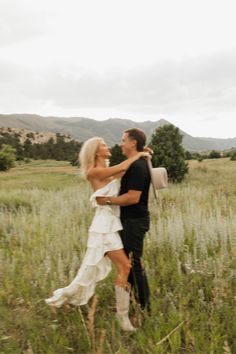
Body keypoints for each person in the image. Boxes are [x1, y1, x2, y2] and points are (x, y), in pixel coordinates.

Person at [45, 137, 149, 331]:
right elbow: (125, 165)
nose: (107, 146)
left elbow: (126, 168)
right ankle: (123, 318)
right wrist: (139, 154)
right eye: (103, 145)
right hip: (103, 227)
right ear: (96, 152)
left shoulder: (108, 171)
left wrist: (141, 155)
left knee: (97, 271)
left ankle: (64, 296)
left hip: (112, 224)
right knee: (125, 266)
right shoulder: (94, 171)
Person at [96, 128, 151, 312]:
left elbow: (133, 197)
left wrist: (107, 201)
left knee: (134, 263)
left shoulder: (137, 166)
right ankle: (131, 304)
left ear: (133, 142)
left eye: (123, 140)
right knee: (128, 264)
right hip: (128, 220)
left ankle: (144, 308)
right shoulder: (134, 163)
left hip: (134, 221)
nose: (121, 143)